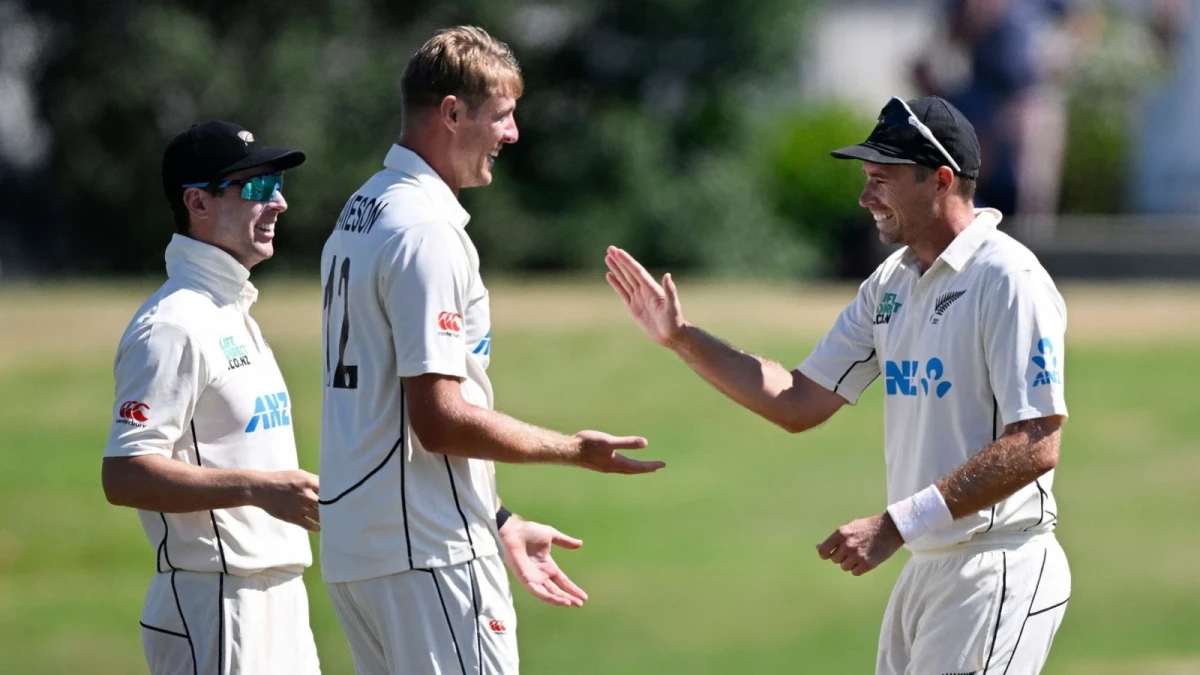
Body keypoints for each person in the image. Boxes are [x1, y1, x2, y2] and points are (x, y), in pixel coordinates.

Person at [606, 96, 1071, 674]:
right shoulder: (891, 283)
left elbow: (1036, 443)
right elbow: (798, 401)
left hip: (994, 567)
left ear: (941, 181)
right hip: (926, 569)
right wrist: (681, 338)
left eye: (882, 179)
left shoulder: (1008, 278)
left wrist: (896, 524)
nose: (864, 196)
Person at [316, 26, 664, 675]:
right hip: (428, 551)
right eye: (502, 115)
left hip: (361, 552)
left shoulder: (361, 210)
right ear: (452, 112)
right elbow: (438, 418)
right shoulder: (427, 231)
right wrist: (573, 450)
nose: (513, 134)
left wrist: (498, 517)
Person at [101, 120, 321, 675]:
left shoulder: (229, 309)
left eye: (274, 184)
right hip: (215, 606)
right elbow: (124, 474)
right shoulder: (173, 324)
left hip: (279, 595)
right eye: (254, 187)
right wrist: (257, 489)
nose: (278, 202)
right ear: (196, 202)